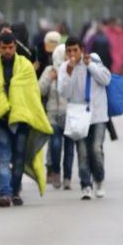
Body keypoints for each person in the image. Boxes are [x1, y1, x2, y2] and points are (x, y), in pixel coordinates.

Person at [0, 32, 54, 206]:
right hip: (1, 121)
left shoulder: (26, 67)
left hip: (21, 121)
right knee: (3, 157)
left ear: (15, 47)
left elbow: (32, 94)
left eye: (10, 48)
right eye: (4, 48)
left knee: (19, 158)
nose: (7, 51)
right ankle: (4, 193)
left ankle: (15, 191)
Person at [57, 36, 112, 199]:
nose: (72, 54)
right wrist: (68, 73)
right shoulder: (65, 67)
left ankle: (99, 180)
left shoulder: (94, 60)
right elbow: (64, 92)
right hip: (78, 115)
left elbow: (106, 79)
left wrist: (90, 66)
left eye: (75, 50)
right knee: (82, 151)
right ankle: (85, 184)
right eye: (69, 51)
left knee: (96, 149)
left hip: (97, 115)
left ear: (82, 49)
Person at [39, 43, 73, 189]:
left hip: (70, 115)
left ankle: (67, 177)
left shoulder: (73, 70)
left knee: (70, 148)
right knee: (55, 145)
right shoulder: (49, 70)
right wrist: (49, 78)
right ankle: (56, 172)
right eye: (65, 54)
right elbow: (39, 90)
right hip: (53, 114)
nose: (68, 57)